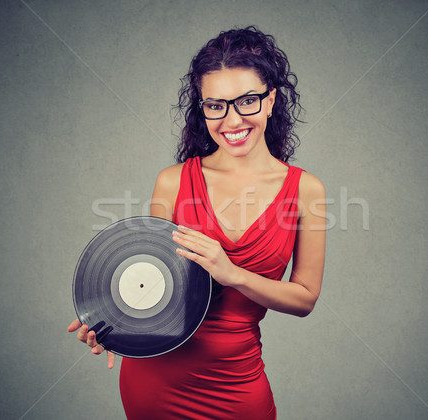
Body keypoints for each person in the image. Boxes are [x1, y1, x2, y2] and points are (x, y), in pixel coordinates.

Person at [68, 26, 326, 419]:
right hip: (155, 385)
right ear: (202, 109)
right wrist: (110, 324)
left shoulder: (306, 190)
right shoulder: (172, 181)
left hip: (237, 385)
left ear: (271, 100)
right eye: (215, 105)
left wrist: (233, 273)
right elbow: (151, 285)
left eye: (248, 101)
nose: (232, 119)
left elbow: (305, 298)